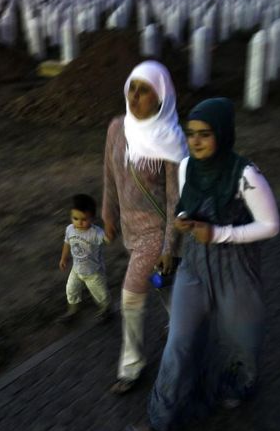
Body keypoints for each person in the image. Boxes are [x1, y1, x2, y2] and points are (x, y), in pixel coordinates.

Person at [126, 97, 280, 431]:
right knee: (178, 342)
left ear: (223, 135)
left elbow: (271, 225)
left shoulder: (246, 175)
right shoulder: (185, 168)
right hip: (195, 267)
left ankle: (240, 384)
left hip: (235, 269)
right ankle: (159, 417)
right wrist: (182, 227)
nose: (195, 141)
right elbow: (184, 206)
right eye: (191, 133)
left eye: (205, 134)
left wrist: (220, 233)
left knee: (241, 338)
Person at [102, 60, 188, 394]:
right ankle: (184, 324)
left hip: (156, 233)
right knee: (163, 284)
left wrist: (169, 248)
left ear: (162, 97)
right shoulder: (116, 129)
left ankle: (131, 366)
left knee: (131, 297)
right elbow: (109, 175)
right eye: (132, 89)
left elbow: (174, 203)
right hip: (129, 229)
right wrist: (108, 214)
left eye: (145, 91)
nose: (135, 97)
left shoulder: (172, 142)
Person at [58, 194, 112, 323]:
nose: (79, 222)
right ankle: (72, 310)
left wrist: (109, 231)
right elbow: (67, 243)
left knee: (101, 294)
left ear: (92, 218)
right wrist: (64, 258)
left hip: (94, 272)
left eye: (84, 219)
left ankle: (106, 309)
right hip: (76, 269)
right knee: (70, 289)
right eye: (75, 218)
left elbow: (107, 239)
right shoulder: (70, 229)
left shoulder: (95, 232)